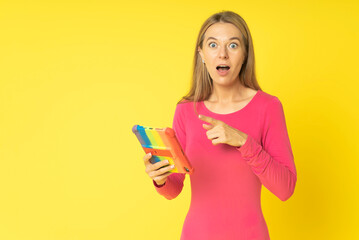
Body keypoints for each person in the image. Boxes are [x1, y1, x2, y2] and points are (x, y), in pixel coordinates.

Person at [143, 10, 297, 240]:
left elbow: (285, 189)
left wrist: (244, 142)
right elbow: (174, 188)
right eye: (213, 45)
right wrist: (160, 177)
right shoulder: (186, 110)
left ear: (245, 54)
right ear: (202, 54)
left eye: (233, 46)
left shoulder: (268, 107)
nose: (222, 54)